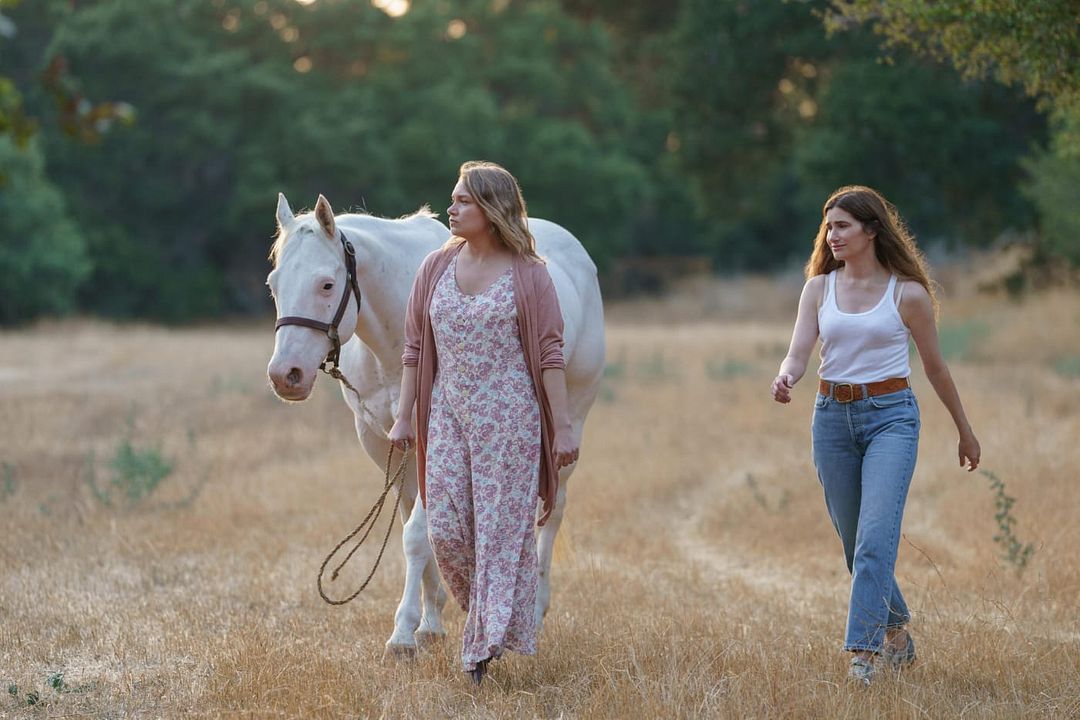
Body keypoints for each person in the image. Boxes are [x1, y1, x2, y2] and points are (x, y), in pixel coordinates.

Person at [770, 185, 981, 685]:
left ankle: (862, 657)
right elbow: (799, 351)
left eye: (843, 225)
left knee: (873, 540)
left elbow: (935, 368)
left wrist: (964, 431)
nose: (832, 234)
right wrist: (786, 376)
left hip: (892, 418)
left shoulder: (907, 293)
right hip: (831, 419)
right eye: (829, 226)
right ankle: (898, 636)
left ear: (871, 229)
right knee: (853, 543)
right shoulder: (818, 288)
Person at [388, 161, 578, 685]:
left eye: (463, 202)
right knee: (445, 529)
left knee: (498, 533)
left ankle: (480, 651)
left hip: (510, 419)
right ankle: (494, 617)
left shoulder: (529, 273)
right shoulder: (433, 268)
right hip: (448, 414)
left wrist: (561, 426)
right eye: (452, 200)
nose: (451, 209)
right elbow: (413, 349)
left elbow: (550, 352)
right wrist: (405, 416)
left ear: (492, 210)